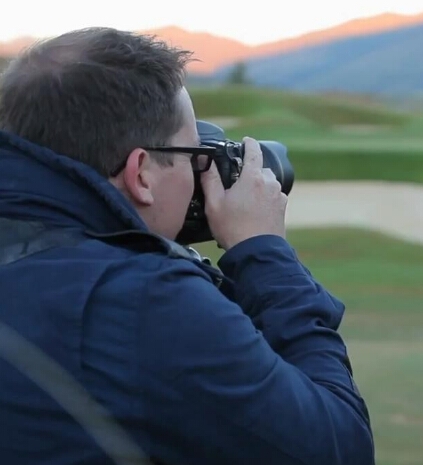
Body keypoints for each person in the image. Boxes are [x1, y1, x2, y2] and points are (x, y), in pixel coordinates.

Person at [0, 27, 375, 465]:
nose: (200, 175)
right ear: (142, 174)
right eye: (193, 154)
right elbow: (339, 447)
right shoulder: (142, 300)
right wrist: (264, 251)